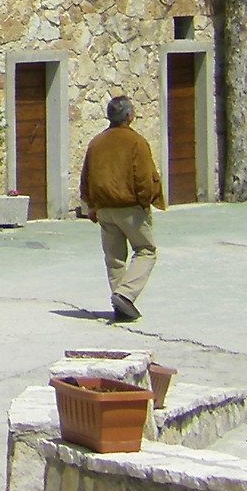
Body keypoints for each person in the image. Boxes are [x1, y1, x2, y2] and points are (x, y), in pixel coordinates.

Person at [79, 94, 164, 323]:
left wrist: (90, 205)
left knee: (115, 258)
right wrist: (146, 202)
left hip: (104, 209)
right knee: (146, 250)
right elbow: (144, 177)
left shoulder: (96, 142)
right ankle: (125, 295)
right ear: (129, 116)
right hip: (130, 208)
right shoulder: (136, 142)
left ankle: (121, 305)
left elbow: (86, 176)